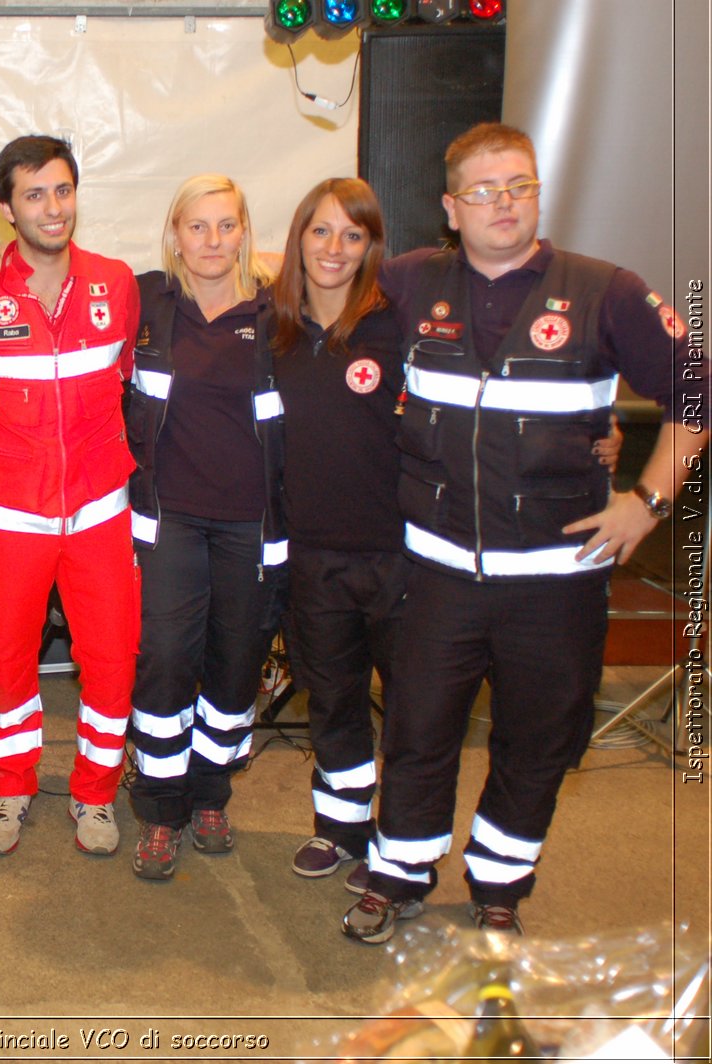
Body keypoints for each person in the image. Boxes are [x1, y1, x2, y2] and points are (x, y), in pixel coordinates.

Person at [342, 122, 702, 942]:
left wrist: (644, 505)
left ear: (538, 193)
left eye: (519, 186)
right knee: (417, 729)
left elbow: (698, 397)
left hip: (556, 577)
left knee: (538, 737)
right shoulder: (405, 283)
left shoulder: (606, 289)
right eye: (483, 190)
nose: (503, 203)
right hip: (434, 574)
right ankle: (398, 871)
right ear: (450, 207)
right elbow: (314, 283)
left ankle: (500, 881)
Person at [0, 135, 140, 856]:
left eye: (62, 190)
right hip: (8, 513)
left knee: (114, 655)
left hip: (99, 510)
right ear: (7, 207)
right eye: (34, 194)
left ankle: (95, 794)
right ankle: (10, 788)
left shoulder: (114, 282)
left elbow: (131, 374)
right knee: (5, 656)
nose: (52, 207)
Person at [123, 174, 285, 880]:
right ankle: (160, 810)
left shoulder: (283, 315)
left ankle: (211, 793)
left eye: (227, 225)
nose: (213, 240)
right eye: (198, 226)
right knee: (163, 656)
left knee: (236, 661)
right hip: (169, 520)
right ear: (175, 234)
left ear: (246, 232)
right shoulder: (146, 304)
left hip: (254, 523)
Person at [267, 178, 402, 889]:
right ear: (299, 240)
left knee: (414, 710)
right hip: (311, 557)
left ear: (372, 247)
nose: (335, 249)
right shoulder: (272, 328)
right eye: (320, 232)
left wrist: (597, 436)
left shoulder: (397, 324)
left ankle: (402, 846)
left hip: (400, 555)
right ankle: (342, 829)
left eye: (353, 235)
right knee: (335, 699)